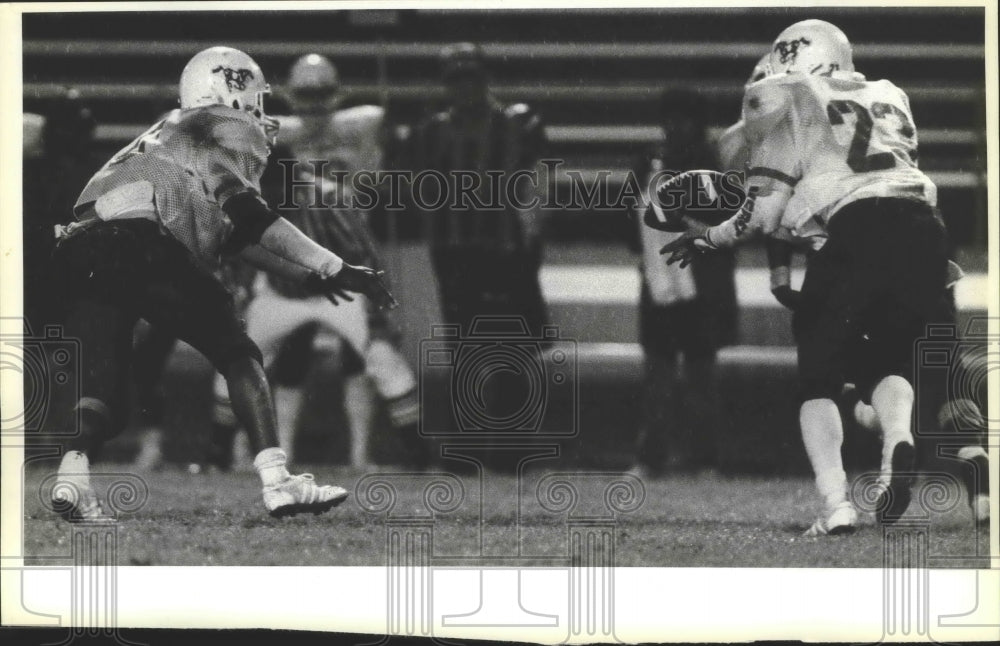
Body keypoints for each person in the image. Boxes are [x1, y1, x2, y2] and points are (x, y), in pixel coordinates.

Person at [47, 46, 395, 521]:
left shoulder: (165, 133)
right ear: (236, 92)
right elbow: (250, 218)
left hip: (80, 249)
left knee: (106, 384)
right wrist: (333, 265)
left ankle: (72, 478)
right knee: (238, 353)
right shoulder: (220, 129)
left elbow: (231, 239)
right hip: (143, 242)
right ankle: (278, 480)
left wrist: (304, 272)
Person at [662, 20, 949, 534]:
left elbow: (761, 217)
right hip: (926, 227)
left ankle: (836, 505)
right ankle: (898, 437)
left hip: (859, 226)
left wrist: (707, 238)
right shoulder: (889, 93)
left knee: (816, 374)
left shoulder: (790, 100)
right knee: (882, 357)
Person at [206, 53, 424, 471]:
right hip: (286, 274)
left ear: (338, 93)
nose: (316, 103)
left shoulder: (358, 128)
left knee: (375, 361)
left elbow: (381, 121)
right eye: (306, 94)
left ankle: (405, 457)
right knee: (245, 358)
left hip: (345, 267)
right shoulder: (266, 134)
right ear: (288, 94)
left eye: (324, 93)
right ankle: (221, 454)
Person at [629, 88, 738, 476]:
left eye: (684, 118)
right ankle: (650, 455)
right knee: (657, 372)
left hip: (701, 282)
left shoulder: (716, 162)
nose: (676, 126)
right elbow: (631, 223)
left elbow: (732, 224)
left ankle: (704, 457)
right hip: (659, 277)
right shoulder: (647, 160)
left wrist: (683, 221)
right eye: (670, 117)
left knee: (699, 374)